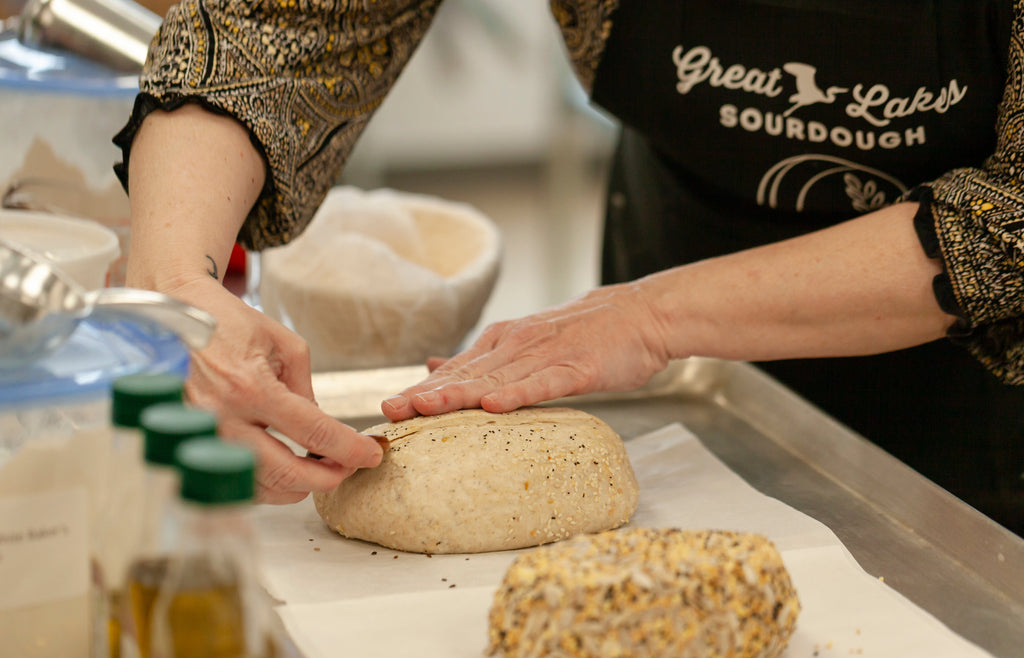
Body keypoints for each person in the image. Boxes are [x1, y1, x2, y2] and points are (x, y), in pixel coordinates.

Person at [114, 1, 1024, 533]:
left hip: (986, 389)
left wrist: (653, 317)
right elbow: (280, 32)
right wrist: (172, 280)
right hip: (678, 251)